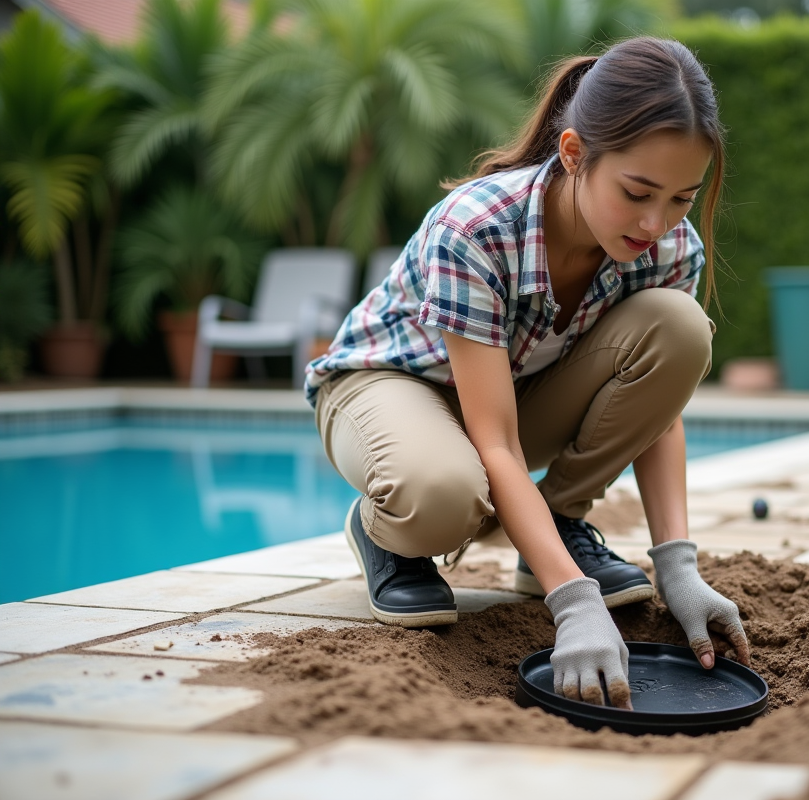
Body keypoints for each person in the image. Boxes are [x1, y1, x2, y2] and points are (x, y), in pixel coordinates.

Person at [305, 36, 751, 710]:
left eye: (682, 199)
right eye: (637, 192)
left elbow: (659, 413)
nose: (655, 222)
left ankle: (559, 524)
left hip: (511, 398)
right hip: (387, 384)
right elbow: (497, 441)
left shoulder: (666, 248)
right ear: (573, 154)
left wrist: (678, 568)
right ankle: (386, 534)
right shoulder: (477, 228)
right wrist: (574, 603)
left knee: (680, 327)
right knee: (441, 496)